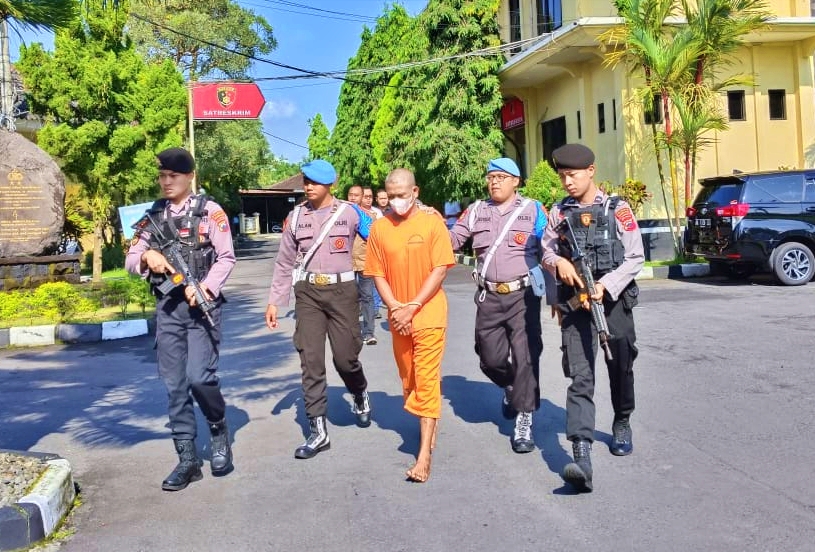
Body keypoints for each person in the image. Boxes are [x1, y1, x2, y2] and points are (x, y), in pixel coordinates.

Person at [125, 147, 236, 491]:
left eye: (173, 175)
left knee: (200, 377)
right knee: (174, 385)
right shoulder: (152, 217)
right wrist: (148, 256)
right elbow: (130, 260)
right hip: (169, 309)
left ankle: (218, 428)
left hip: (202, 307)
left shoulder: (210, 212)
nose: (166, 181)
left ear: (190, 177)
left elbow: (226, 257)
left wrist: (206, 287)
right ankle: (188, 460)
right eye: (162, 176)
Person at [541, 143, 644, 493]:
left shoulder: (618, 209)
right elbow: (545, 249)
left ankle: (622, 419)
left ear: (590, 171)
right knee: (580, 376)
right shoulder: (559, 212)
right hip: (576, 303)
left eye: (572, 175)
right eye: (562, 176)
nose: (567, 182)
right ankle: (581, 455)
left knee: (621, 364)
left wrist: (606, 285)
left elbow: (635, 257)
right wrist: (559, 262)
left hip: (612, 302)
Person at [265, 160, 373, 459]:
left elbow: (380, 237)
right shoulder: (295, 217)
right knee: (310, 360)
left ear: (331, 185)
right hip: (308, 293)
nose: (308, 186)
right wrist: (275, 300)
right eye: (306, 181)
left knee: (345, 359)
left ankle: (359, 391)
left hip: (343, 293)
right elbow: (284, 262)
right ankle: (318, 430)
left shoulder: (351, 212)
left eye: (315, 182)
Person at [449, 157, 548, 454]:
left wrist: (558, 293)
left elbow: (551, 247)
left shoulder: (534, 210)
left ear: (516, 181)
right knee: (489, 358)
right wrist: (427, 224)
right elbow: (452, 239)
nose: (494, 182)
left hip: (523, 295)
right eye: (491, 177)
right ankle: (512, 387)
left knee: (525, 356)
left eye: (501, 177)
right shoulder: (476, 210)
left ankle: (524, 419)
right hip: (489, 296)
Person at [364, 168, 455, 483]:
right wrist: (395, 308)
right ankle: (429, 419)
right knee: (410, 379)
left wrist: (413, 305)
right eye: (391, 196)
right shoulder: (380, 228)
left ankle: (423, 456)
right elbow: (377, 273)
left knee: (426, 378)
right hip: (398, 317)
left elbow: (440, 270)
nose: (396, 201)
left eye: (402, 195)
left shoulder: (432, 223)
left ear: (415, 192)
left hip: (428, 313)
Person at [347, 184, 377, 345]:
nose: (353, 198)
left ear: (362, 197)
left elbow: (375, 239)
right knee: (348, 298)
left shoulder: (369, 217)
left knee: (367, 297)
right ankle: (349, 332)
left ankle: (369, 333)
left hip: (365, 262)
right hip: (346, 263)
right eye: (350, 194)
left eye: (356, 195)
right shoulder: (341, 216)